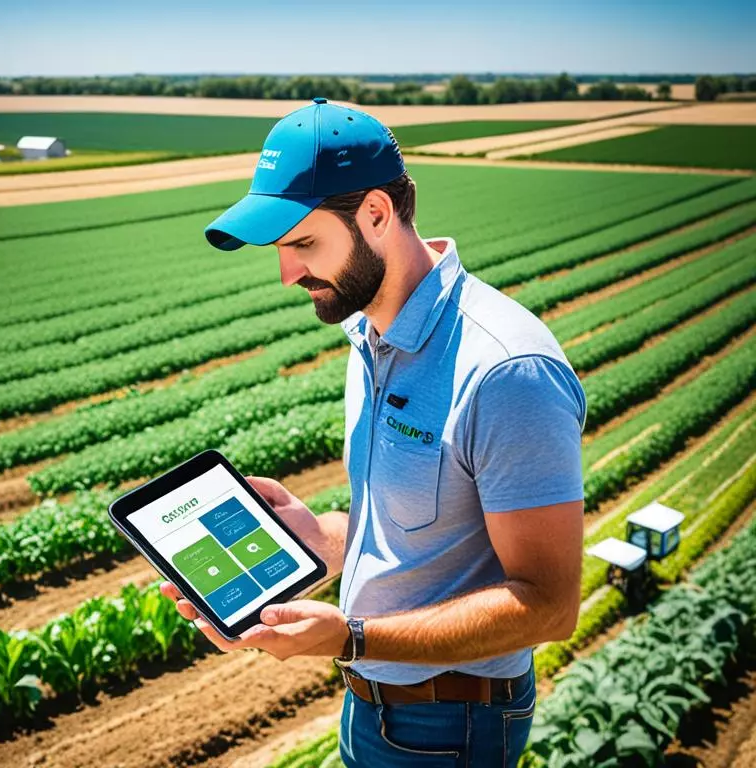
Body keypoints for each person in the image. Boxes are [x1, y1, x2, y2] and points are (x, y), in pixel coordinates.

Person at [159, 97, 587, 767]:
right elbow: (424, 520)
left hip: (451, 724)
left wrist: (350, 637)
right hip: (374, 706)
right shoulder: (370, 336)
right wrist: (322, 540)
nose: (287, 274)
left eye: (303, 243)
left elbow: (549, 607)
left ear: (378, 215)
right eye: (281, 249)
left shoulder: (505, 370)